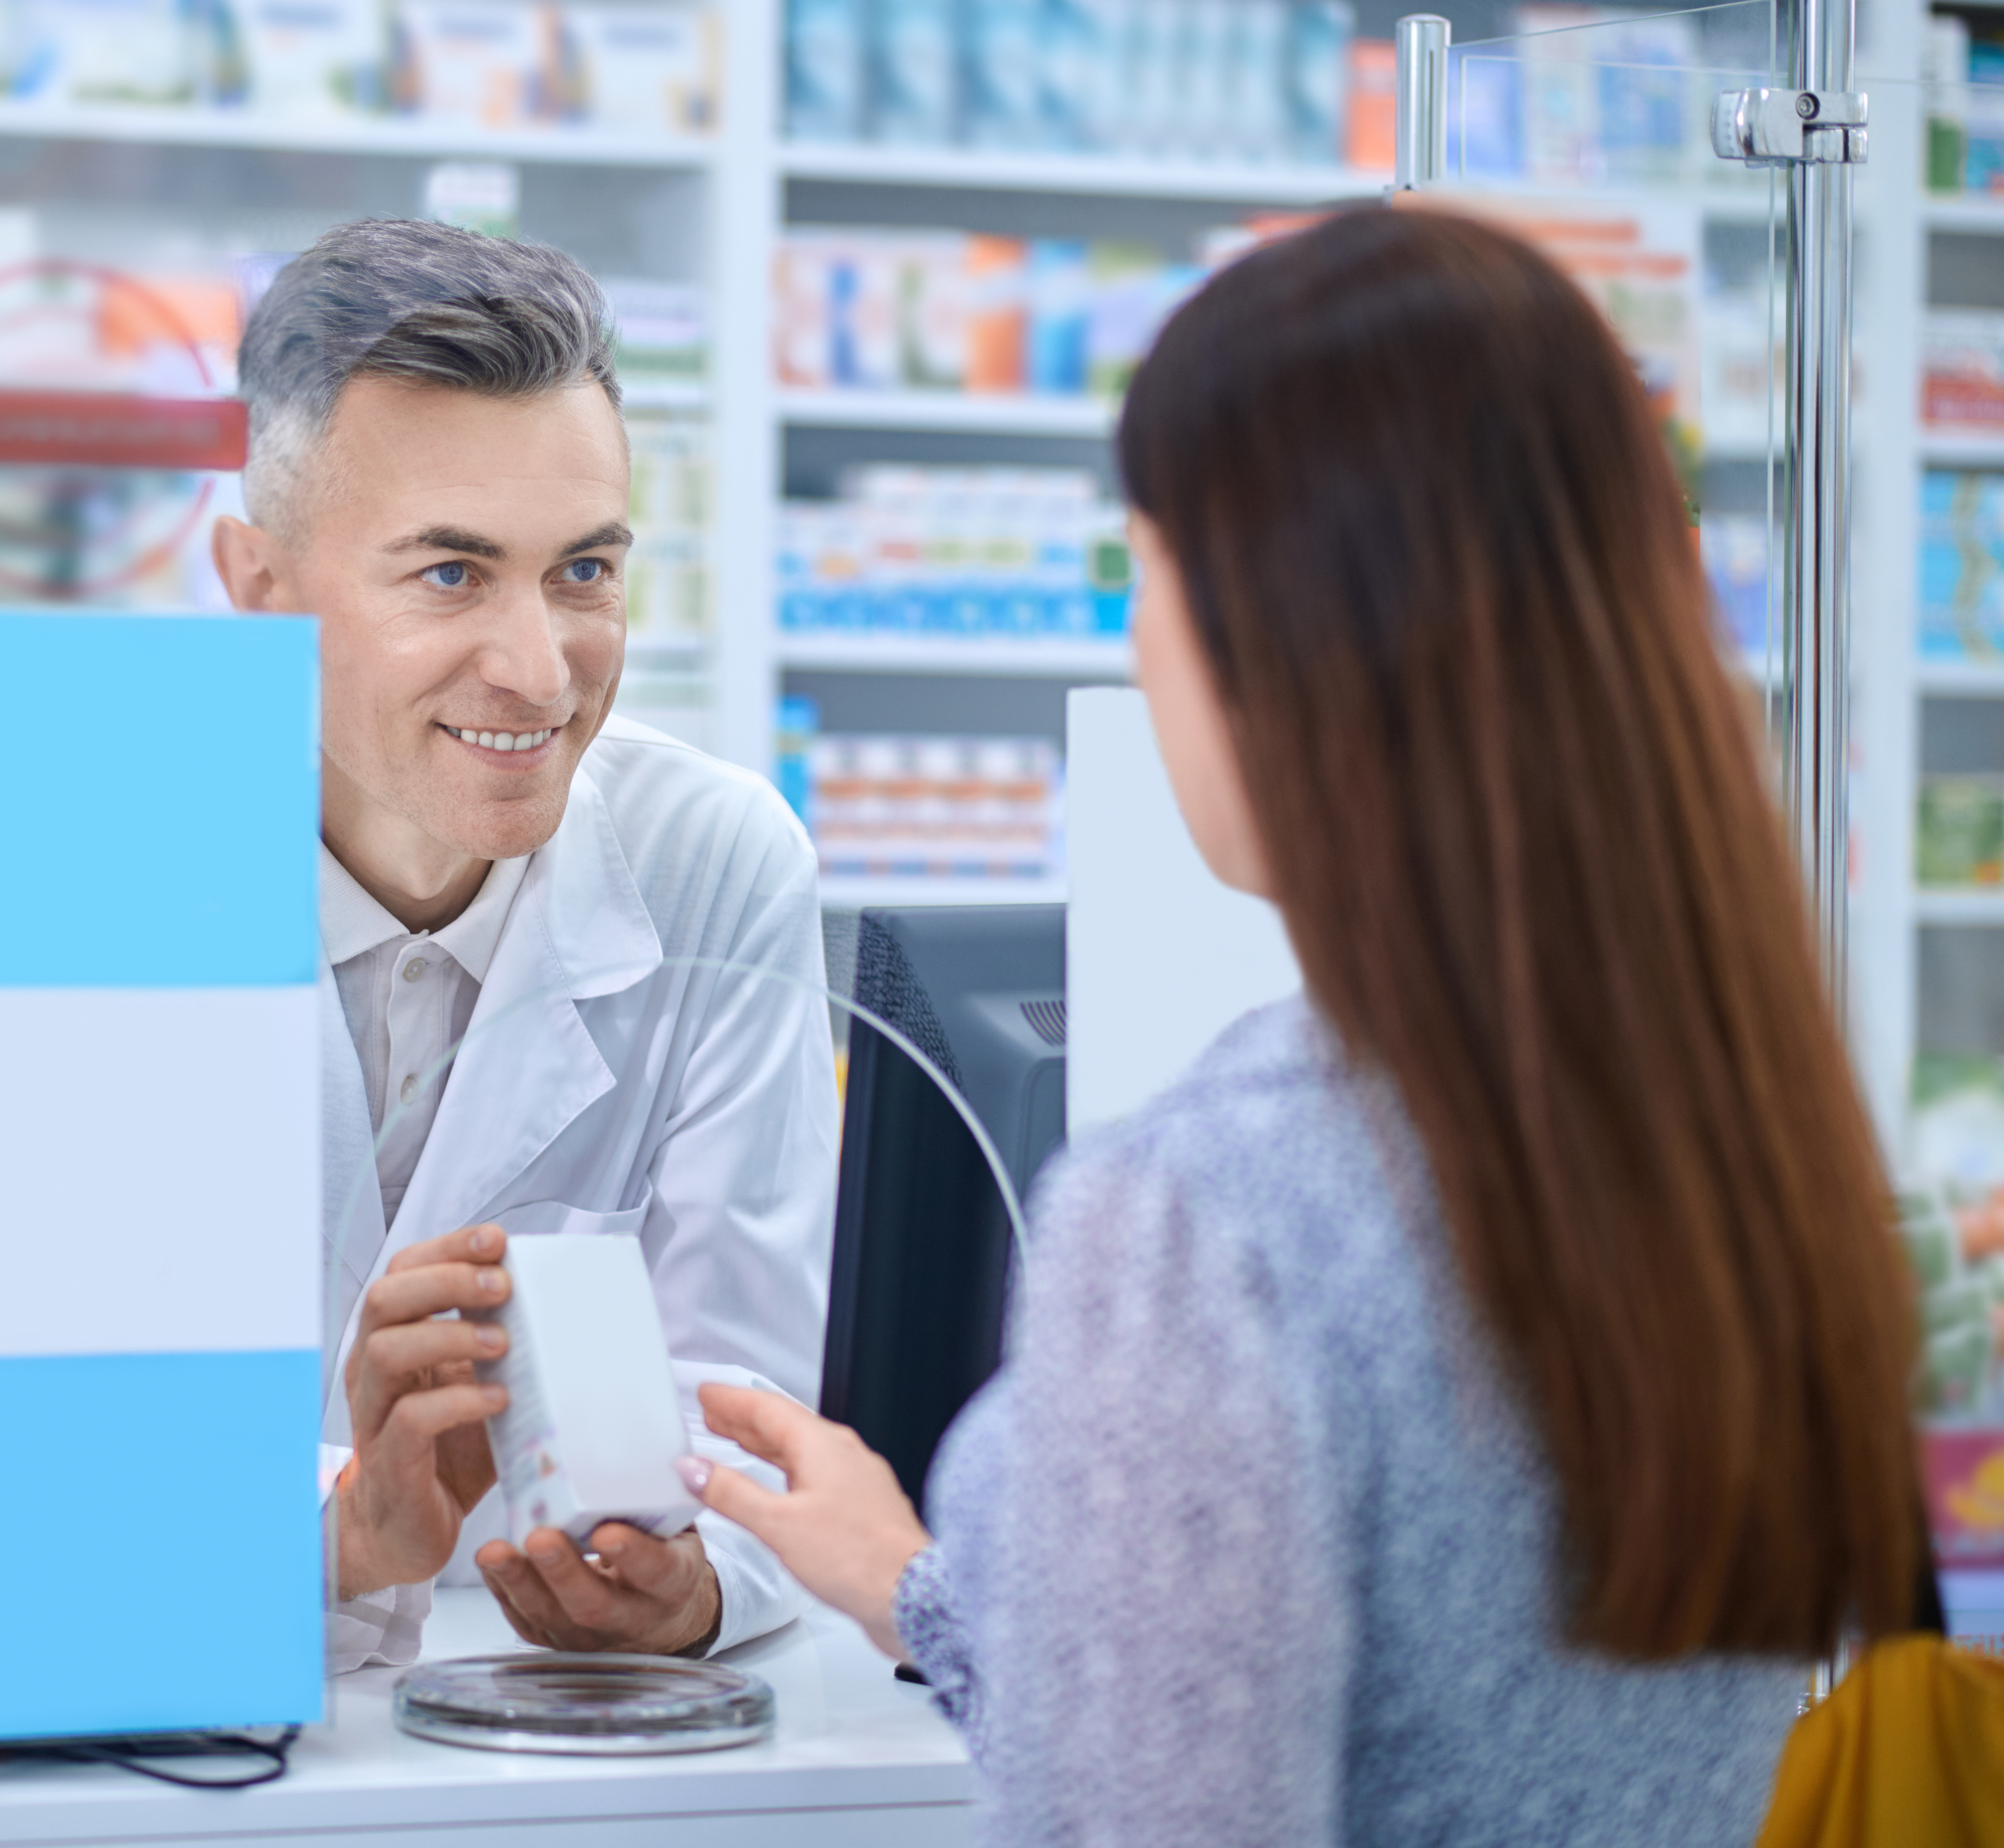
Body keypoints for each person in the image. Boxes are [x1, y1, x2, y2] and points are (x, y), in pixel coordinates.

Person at [681, 206, 1928, 1844]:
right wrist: (931, 1593)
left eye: (1152, 565)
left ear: (1289, 632)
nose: (1139, 636)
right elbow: (1424, 1707)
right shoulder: (1729, 1122)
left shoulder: (1212, 1215)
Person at [211, 220, 836, 1673]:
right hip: (144, 1748)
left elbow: (744, 1392)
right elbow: (4, 1473)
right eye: (449, 576)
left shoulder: (716, 862)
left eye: (584, 572)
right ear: (260, 590)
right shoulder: (61, 874)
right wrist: (343, 1529)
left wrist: (693, 1586)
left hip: (539, 1740)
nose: (540, 670)